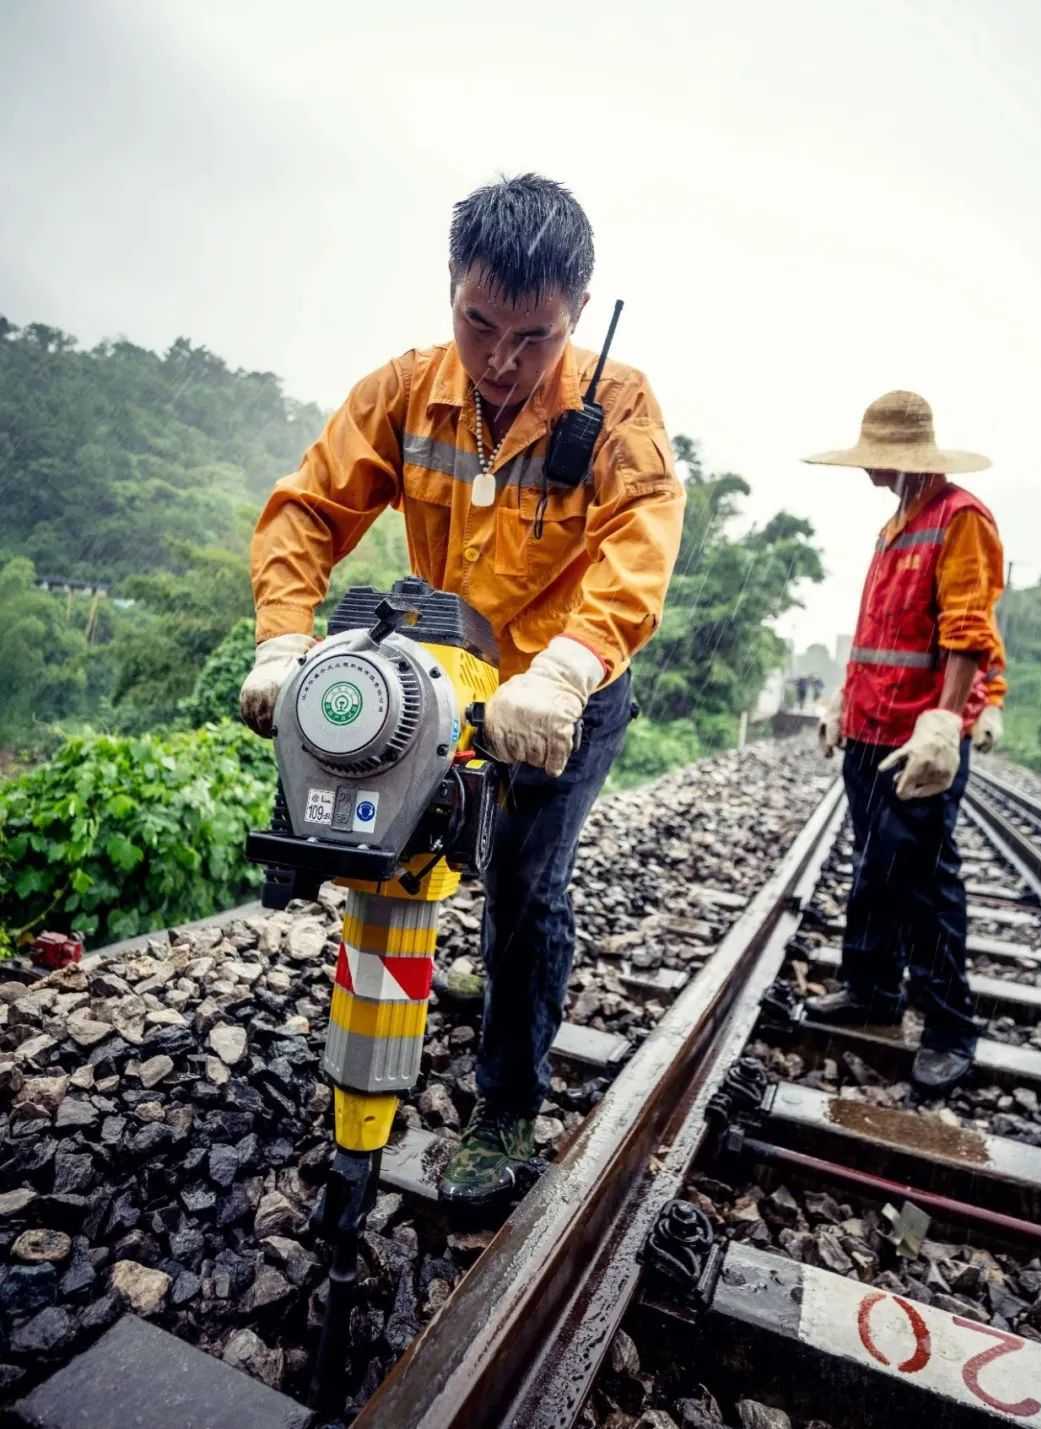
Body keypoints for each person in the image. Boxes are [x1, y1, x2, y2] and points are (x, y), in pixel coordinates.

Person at [239, 174, 685, 1205]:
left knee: (524, 885)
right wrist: (281, 641)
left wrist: (565, 669)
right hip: (442, 681)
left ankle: (509, 1101)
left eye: (534, 337)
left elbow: (641, 543)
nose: (500, 360)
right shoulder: (407, 391)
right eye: (478, 323)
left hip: (565, 691)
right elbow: (308, 509)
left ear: (578, 312)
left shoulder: (619, 407)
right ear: (451, 287)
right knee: (390, 843)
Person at [807, 391, 1006, 1095]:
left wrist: (943, 724)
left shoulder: (961, 519)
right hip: (868, 729)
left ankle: (950, 1027)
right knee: (873, 865)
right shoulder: (895, 526)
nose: (868, 467)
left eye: (878, 456)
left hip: (917, 737)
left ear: (909, 455)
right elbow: (876, 634)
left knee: (921, 877)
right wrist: (841, 699)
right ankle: (872, 989)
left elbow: (968, 634)